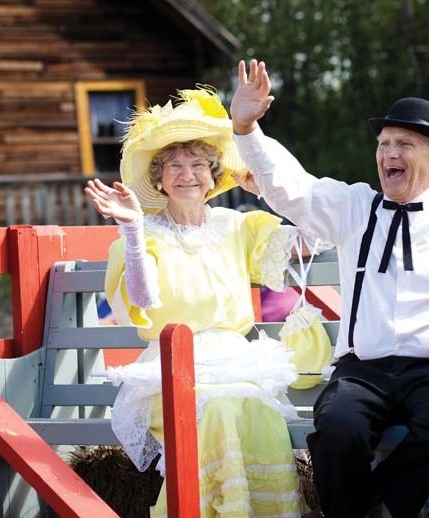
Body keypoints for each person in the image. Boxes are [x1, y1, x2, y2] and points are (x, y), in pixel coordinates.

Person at [229, 59, 429, 518]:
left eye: (403, 144)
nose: (388, 154)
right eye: (383, 144)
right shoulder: (355, 206)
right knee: (336, 429)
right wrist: (246, 127)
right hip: (364, 370)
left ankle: (374, 505)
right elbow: (290, 187)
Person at [84, 88, 304, 518]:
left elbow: (315, 239)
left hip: (237, 362)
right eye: (175, 166)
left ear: (213, 172)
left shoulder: (237, 224)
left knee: (253, 406)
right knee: (218, 407)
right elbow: (144, 300)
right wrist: (131, 230)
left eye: (198, 165)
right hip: (170, 367)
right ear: (158, 177)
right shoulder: (144, 234)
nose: (188, 175)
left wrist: (271, 193)